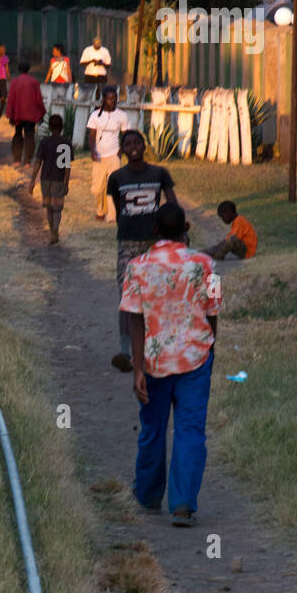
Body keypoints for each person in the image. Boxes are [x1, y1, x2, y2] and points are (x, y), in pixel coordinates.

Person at [120, 202, 221, 527]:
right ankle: (182, 505)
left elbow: (133, 316)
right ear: (186, 231)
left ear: (155, 232)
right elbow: (213, 311)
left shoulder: (137, 266)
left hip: (153, 360)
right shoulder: (206, 264)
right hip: (196, 356)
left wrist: (137, 367)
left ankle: (148, 496)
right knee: (191, 430)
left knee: (152, 428)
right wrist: (209, 347)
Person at [107, 127, 178, 371]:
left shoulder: (160, 173)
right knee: (127, 296)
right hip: (127, 242)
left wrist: (175, 234)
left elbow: (173, 206)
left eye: (137, 142)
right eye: (128, 143)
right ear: (122, 149)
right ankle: (125, 351)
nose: (133, 146)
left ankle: (156, 347)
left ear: (144, 146)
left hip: (155, 244)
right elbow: (119, 211)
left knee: (157, 293)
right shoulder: (116, 178)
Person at [28, 112, 73, 243]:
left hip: (45, 179)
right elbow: (67, 166)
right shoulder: (66, 143)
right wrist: (66, 183)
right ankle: (55, 230)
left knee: (48, 207)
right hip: (58, 179)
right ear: (62, 127)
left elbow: (37, 163)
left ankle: (52, 229)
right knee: (57, 208)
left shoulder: (44, 142)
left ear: (49, 128)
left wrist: (32, 181)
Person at [86, 85, 128, 221]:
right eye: (110, 99)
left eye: (115, 99)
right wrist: (93, 151)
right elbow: (91, 136)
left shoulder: (122, 115)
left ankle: (112, 216)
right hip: (99, 157)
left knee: (113, 186)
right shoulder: (94, 115)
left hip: (114, 156)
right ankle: (101, 210)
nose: (113, 101)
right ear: (104, 99)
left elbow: (126, 136)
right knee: (97, 189)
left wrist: (120, 152)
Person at [6, 60, 46, 167]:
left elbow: (11, 99)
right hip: (31, 114)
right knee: (29, 136)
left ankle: (17, 160)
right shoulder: (34, 82)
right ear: (29, 69)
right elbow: (39, 100)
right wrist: (42, 113)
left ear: (19, 69)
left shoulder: (14, 82)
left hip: (18, 114)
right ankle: (28, 161)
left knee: (18, 135)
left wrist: (10, 115)